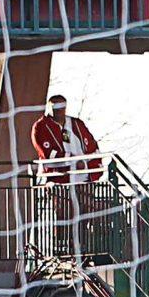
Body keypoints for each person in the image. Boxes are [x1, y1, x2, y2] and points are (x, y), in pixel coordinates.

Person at [31, 93, 101, 258]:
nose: (59, 111)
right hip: (59, 182)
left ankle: (84, 250)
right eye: (55, 107)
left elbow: (93, 148)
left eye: (61, 107)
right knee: (63, 216)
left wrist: (89, 166)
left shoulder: (76, 124)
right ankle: (63, 250)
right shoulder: (41, 127)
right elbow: (48, 155)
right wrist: (71, 160)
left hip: (84, 181)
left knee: (85, 215)